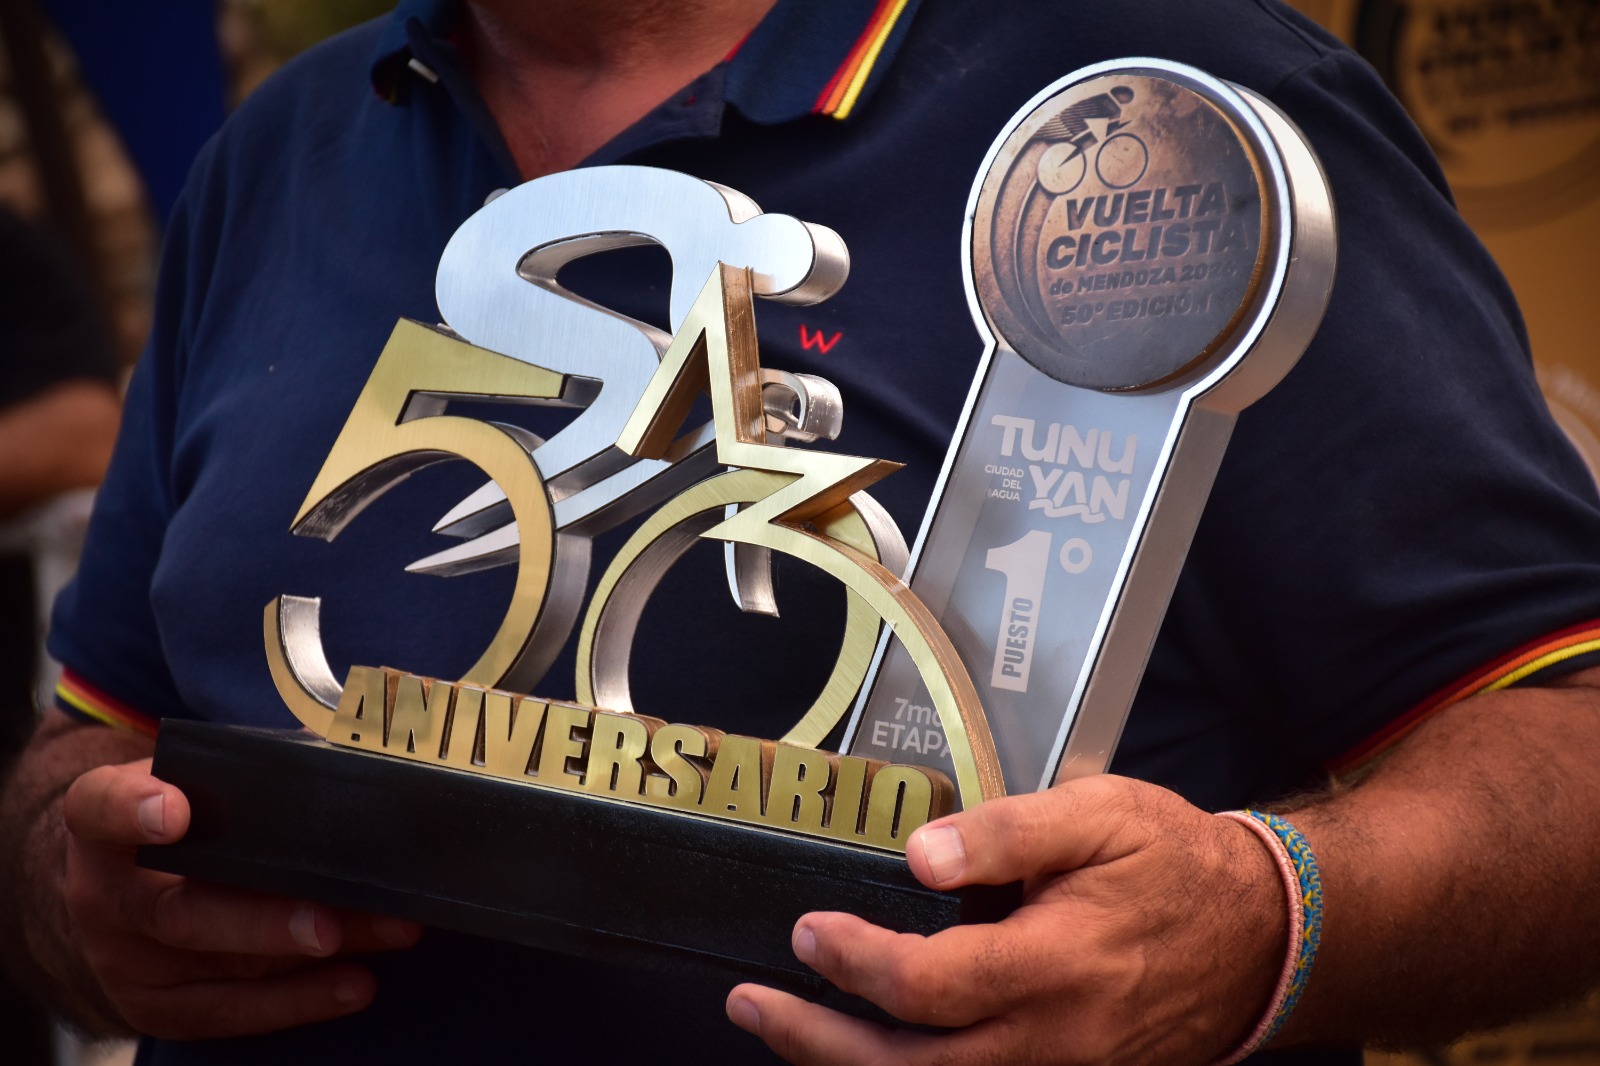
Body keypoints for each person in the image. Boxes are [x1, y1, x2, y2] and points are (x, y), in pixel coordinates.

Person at [4, 1, 1600, 1064]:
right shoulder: (276, 155)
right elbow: (90, 742)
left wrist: (1265, 920)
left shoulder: (1177, 108)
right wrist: (73, 893)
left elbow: (1565, 738)